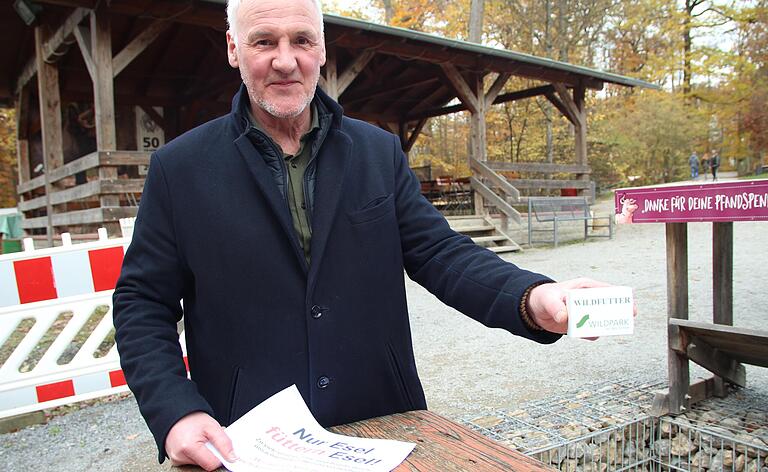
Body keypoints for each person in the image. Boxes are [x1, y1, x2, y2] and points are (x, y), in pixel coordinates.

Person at [112, 1, 627, 470]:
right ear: (233, 49)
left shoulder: (376, 152)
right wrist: (176, 411)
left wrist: (532, 298)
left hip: (383, 427)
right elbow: (141, 302)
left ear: (322, 48)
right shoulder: (180, 169)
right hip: (243, 441)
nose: (285, 60)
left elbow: (439, 252)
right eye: (264, 41)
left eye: (302, 40)